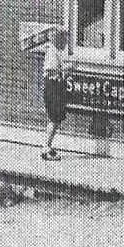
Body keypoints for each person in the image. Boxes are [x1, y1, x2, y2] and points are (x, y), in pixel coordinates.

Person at [38, 26, 72, 160]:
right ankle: (46, 147)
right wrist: (66, 71)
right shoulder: (53, 52)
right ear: (59, 40)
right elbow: (52, 72)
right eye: (64, 39)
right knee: (54, 118)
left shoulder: (55, 51)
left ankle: (47, 145)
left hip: (54, 88)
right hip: (53, 88)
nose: (66, 43)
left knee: (56, 119)